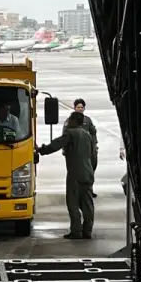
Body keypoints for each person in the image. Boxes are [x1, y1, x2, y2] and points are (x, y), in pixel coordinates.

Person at [37, 111, 95, 239]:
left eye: (70, 119)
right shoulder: (88, 136)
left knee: (73, 202)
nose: (68, 122)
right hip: (88, 173)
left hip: (75, 173)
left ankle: (76, 231)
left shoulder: (71, 133)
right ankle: (88, 231)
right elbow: (93, 156)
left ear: (74, 121)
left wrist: (42, 150)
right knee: (87, 204)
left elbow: (56, 145)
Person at [73, 98, 99, 197]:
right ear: (74, 108)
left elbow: (93, 132)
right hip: (76, 151)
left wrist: (95, 145)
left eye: (81, 107)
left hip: (88, 150)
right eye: (78, 107)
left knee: (90, 170)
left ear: (84, 108)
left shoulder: (87, 120)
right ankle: (76, 191)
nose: (80, 109)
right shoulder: (71, 121)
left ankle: (89, 190)